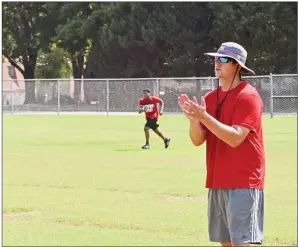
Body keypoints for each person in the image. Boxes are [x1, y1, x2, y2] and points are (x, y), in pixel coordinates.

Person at [178, 42, 265, 246]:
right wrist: (193, 120)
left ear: (238, 66)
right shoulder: (209, 98)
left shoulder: (248, 96)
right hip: (217, 181)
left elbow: (235, 137)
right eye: (216, 58)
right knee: (225, 242)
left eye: (224, 59)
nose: (217, 63)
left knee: (240, 243)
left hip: (243, 181)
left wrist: (204, 117)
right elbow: (197, 140)